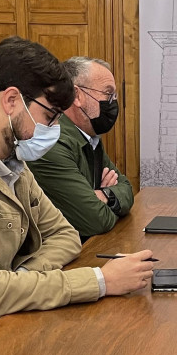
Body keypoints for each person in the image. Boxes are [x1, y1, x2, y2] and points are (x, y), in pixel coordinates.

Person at [0, 37, 153, 355]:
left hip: (8, 318)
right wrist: (100, 281)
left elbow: (65, 235)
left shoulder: (12, 162)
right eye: (51, 116)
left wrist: (20, 278)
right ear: (12, 100)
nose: (54, 128)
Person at [27, 57, 133, 241]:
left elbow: (127, 189)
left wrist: (106, 195)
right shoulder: (52, 143)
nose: (113, 103)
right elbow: (96, 220)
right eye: (108, 94)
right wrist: (102, 202)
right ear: (77, 96)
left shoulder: (89, 137)